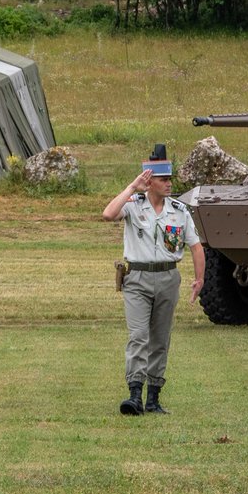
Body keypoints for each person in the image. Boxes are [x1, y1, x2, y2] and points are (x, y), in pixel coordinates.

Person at [102, 145, 205, 416]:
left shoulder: (179, 210)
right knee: (138, 336)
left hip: (168, 277)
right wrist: (131, 188)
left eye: (170, 179)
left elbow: (195, 246)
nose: (169, 184)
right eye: (164, 180)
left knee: (160, 339)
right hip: (137, 278)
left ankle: (153, 397)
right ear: (150, 182)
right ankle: (134, 393)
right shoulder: (134, 206)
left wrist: (199, 278)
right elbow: (108, 214)